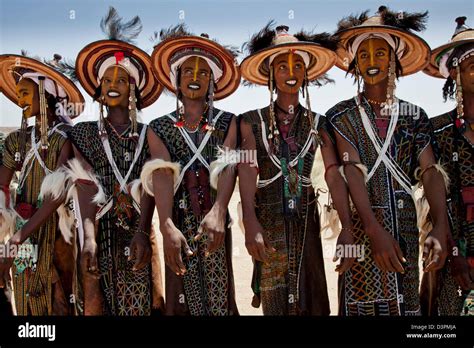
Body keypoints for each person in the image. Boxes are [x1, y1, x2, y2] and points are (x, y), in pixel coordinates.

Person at [327, 6, 450, 316]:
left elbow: (431, 171)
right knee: (361, 307)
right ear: (355, 63)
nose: (372, 61)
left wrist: (439, 226)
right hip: (358, 228)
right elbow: (348, 171)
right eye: (364, 55)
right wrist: (371, 229)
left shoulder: (414, 116)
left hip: (405, 228)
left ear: (393, 60)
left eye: (380, 53)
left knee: (405, 307)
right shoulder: (340, 117)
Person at [68, 7, 164, 315]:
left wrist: (143, 230)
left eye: (121, 79)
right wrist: (89, 239)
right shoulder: (83, 134)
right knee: (99, 304)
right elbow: (84, 188)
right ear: (98, 88)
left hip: (139, 231)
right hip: (100, 234)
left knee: (143, 304)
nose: (113, 84)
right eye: (107, 78)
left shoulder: (149, 134)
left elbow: (151, 184)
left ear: (132, 88)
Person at [238, 22, 339, 315]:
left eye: (297, 66)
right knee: (276, 302)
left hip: (306, 222)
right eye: (282, 66)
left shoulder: (319, 124)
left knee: (310, 298)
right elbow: (247, 169)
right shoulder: (251, 122)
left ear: (306, 74)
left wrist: (345, 224)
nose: (291, 73)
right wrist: (249, 223)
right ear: (271, 74)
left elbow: (332, 173)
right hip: (267, 222)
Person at [140, 24, 241, 315]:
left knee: (220, 299)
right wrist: (166, 225)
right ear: (176, 79)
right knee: (180, 298)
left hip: (216, 223)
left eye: (203, 72)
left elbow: (227, 167)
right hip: (178, 224)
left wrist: (219, 211)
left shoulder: (227, 123)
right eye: (188, 71)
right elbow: (161, 173)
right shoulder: (158, 128)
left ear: (212, 81)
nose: (195, 78)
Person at [0, 52, 84, 315]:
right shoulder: (16, 141)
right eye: (20, 94)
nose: (20, 99)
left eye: (26, 93)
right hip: (23, 236)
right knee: (25, 300)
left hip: (57, 235)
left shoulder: (65, 138)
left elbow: (55, 196)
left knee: (58, 300)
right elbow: (2, 187)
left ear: (45, 95)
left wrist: (16, 238)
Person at [421, 16, 474, 316]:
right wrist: (455, 254)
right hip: (451, 253)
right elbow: (437, 200)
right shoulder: (437, 131)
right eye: (471, 65)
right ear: (455, 74)